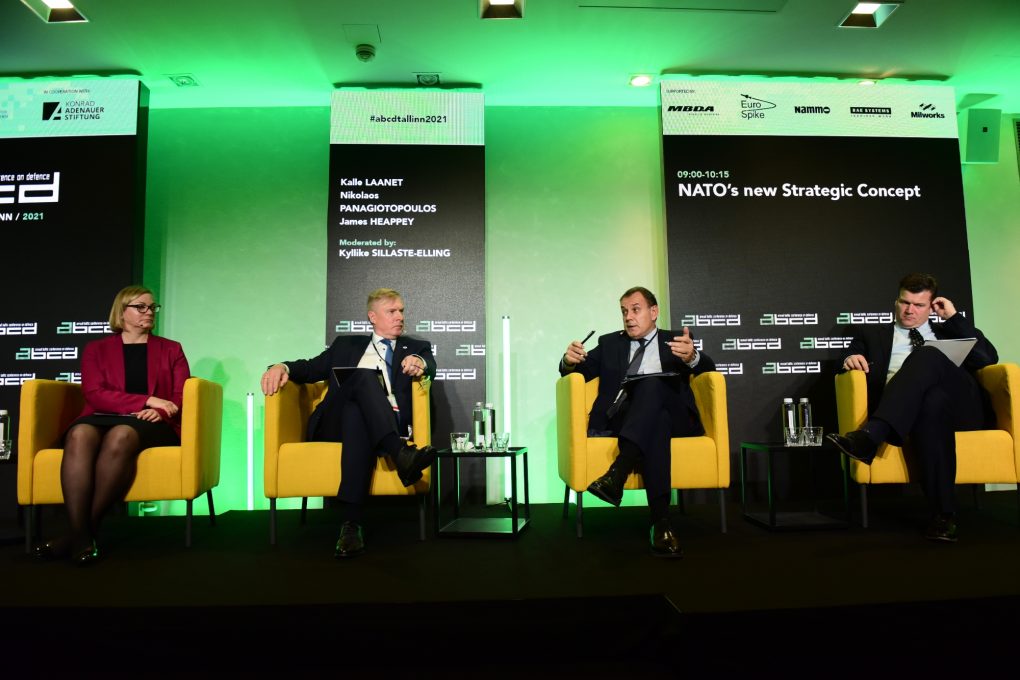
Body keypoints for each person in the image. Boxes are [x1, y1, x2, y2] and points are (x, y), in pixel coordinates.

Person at [261, 288, 436, 558]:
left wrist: (419, 362)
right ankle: (399, 453)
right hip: (334, 423)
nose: (400, 317)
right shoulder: (346, 345)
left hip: (384, 422)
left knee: (358, 414)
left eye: (401, 311)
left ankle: (351, 526)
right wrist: (281, 366)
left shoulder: (415, 347)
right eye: (392, 311)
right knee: (363, 378)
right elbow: (310, 368)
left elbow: (430, 364)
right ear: (372, 317)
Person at [827, 273, 998, 542]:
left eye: (918, 305)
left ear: (932, 307)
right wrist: (849, 358)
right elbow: (843, 360)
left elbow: (987, 357)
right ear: (896, 302)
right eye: (904, 302)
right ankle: (944, 516)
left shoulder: (948, 331)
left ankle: (872, 435)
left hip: (961, 407)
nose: (909, 310)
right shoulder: (871, 335)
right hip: (914, 412)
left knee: (928, 353)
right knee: (932, 401)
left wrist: (954, 318)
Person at [34, 286, 190, 565]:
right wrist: (147, 399)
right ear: (122, 312)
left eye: (152, 307)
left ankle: (79, 535)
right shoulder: (97, 349)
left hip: (150, 423)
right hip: (103, 414)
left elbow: (180, 395)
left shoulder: (171, 349)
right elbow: (94, 393)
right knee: (79, 433)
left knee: (121, 435)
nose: (149, 312)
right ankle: (82, 534)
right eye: (140, 307)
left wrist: (160, 411)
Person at [560, 286, 716, 558]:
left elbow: (708, 370)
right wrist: (568, 360)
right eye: (624, 311)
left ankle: (617, 473)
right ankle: (661, 523)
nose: (628, 317)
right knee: (657, 422)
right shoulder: (610, 343)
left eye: (635, 309)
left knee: (653, 384)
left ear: (653, 312)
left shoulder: (675, 340)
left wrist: (693, 357)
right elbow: (578, 371)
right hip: (626, 418)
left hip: (679, 418)